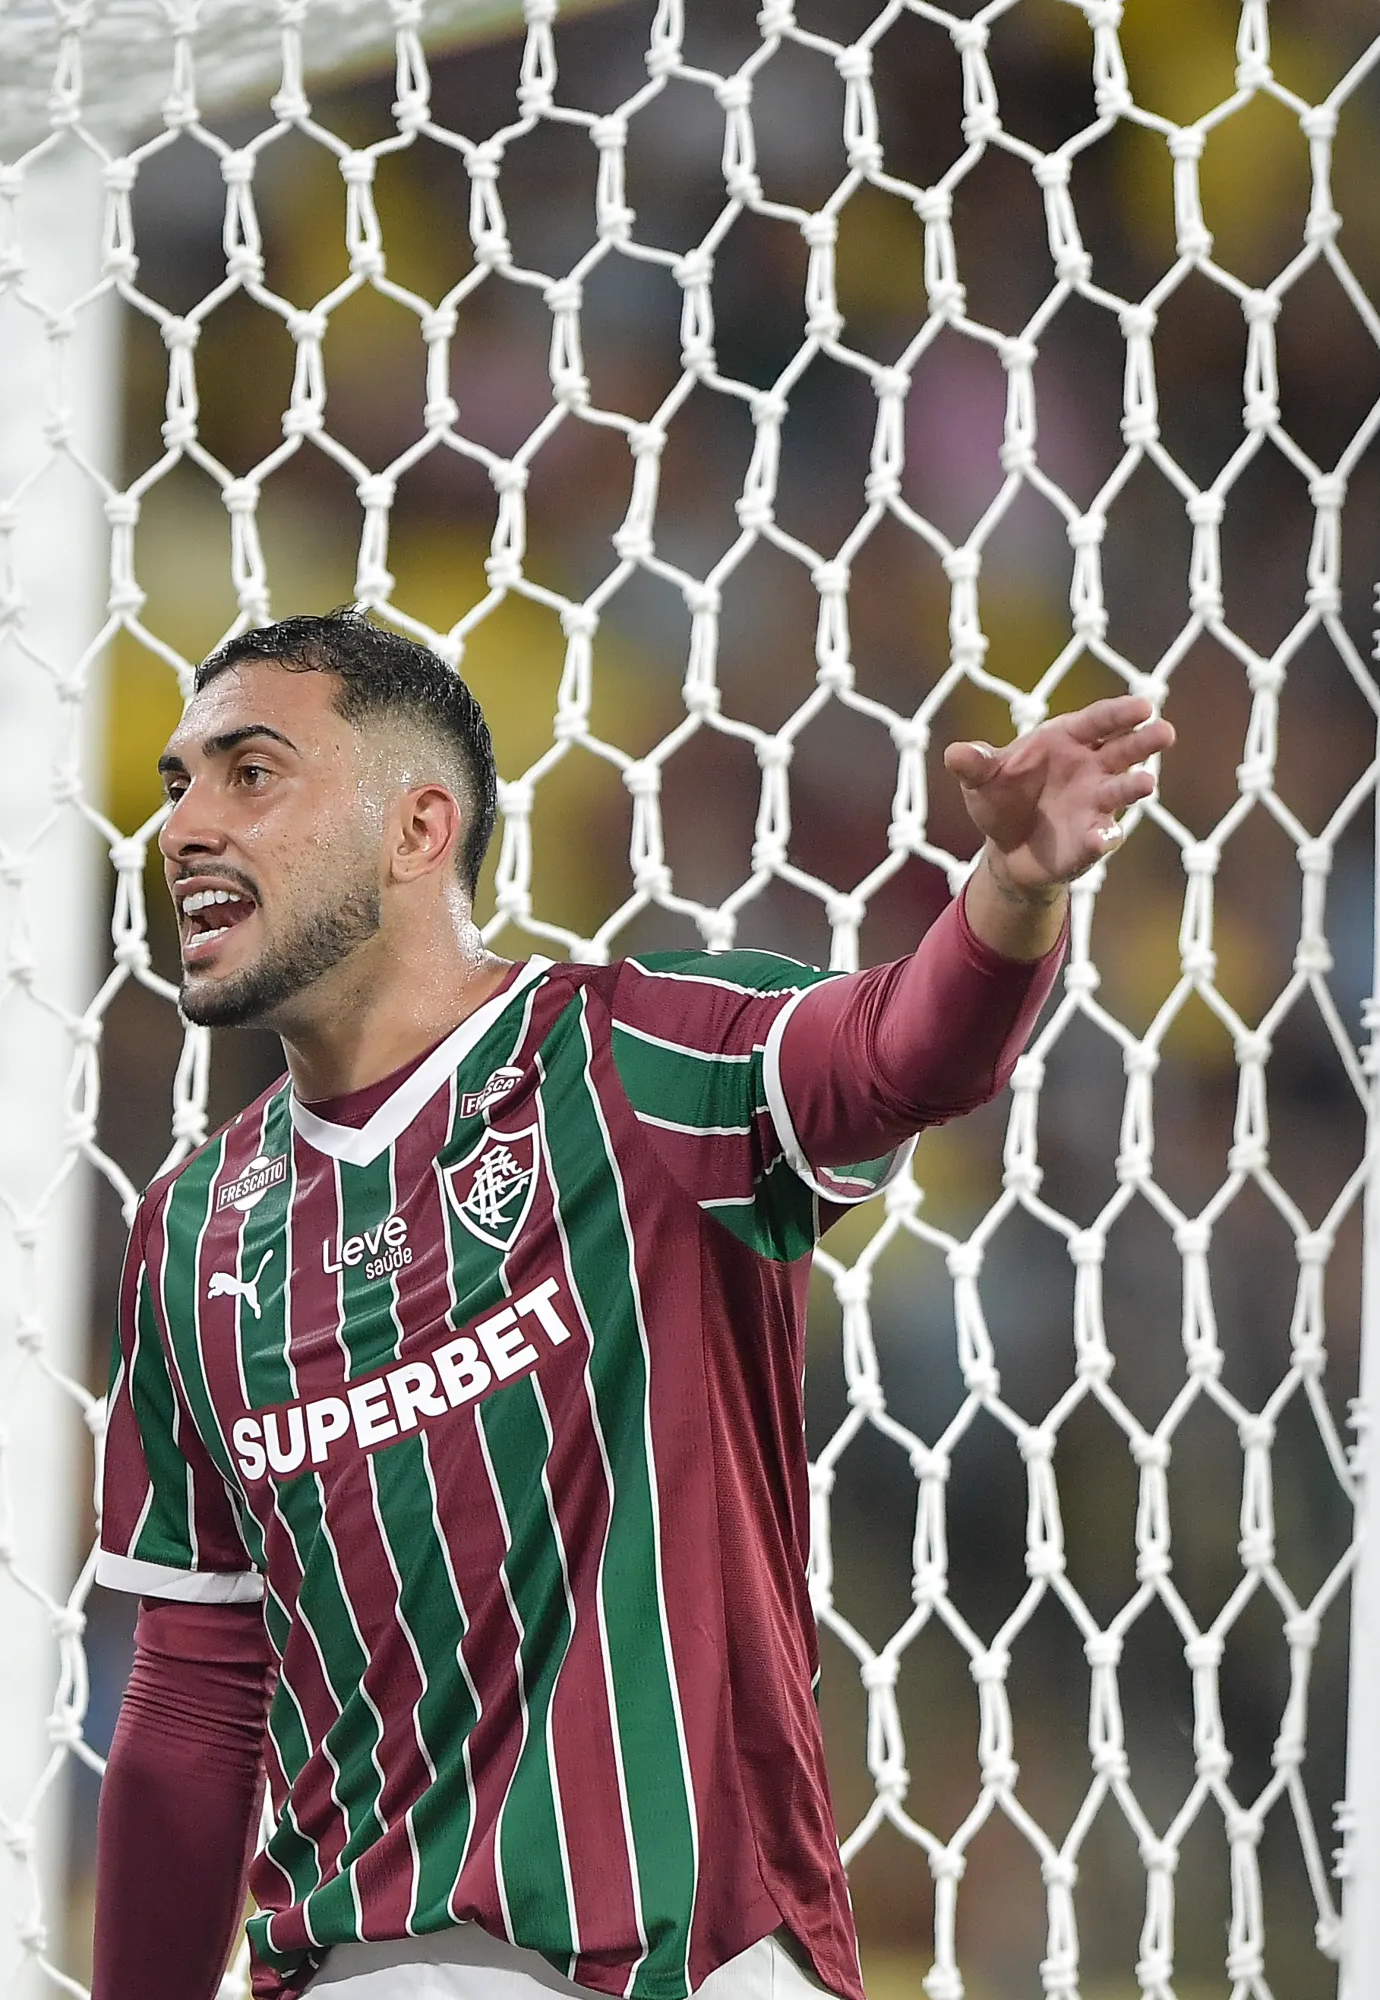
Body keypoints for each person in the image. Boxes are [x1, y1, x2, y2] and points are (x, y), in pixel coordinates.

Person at [90, 610, 1171, 2000]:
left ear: (421, 830)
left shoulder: (627, 1061)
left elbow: (893, 1056)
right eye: (177, 783)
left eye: (249, 774)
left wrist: (1011, 898)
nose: (185, 825)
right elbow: (195, 1695)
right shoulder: (193, 1232)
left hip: (689, 1961)